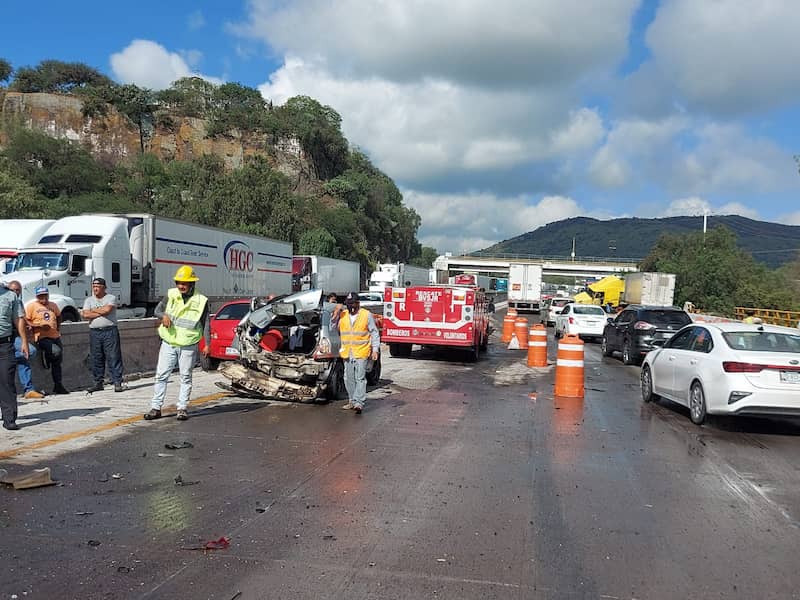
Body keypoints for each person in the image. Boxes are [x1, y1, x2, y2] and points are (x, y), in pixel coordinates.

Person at [144, 265, 210, 422]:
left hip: (188, 344)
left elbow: (206, 323)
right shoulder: (171, 295)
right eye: (178, 282)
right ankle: (156, 408)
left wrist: (207, 343)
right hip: (169, 341)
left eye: (184, 283)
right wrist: (164, 316)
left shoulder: (201, 300)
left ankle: (182, 408)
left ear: (192, 284)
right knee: (161, 375)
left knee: (185, 376)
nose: (181, 286)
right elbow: (157, 311)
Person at [338, 291, 380, 415]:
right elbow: (335, 327)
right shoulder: (343, 315)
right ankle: (352, 400)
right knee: (348, 378)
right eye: (348, 304)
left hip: (361, 351)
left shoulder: (366, 315)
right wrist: (336, 311)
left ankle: (359, 403)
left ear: (358, 303)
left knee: (360, 378)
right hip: (347, 351)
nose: (350, 306)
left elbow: (374, 333)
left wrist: (375, 349)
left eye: (352, 304)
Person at [81, 277, 124, 393]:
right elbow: (84, 315)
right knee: (96, 357)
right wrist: (100, 311)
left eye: (98, 286)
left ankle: (117, 382)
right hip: (95, 332)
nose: (95, 288)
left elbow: (107, 310)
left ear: (104, 287)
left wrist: (93, 311)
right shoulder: (88, 300)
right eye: (94, 286)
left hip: (109, 331)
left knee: (113, 356)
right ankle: (98, 383)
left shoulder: (111, 298)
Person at [25, 286, 69, 395]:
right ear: (37, 297)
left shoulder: (53, 305)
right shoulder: (32, 306)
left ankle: (58, 385)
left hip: (55, 335)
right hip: (42, 336)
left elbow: (59, 316)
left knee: (58, 360)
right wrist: (38, 326)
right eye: (41, 297)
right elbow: (26, 320)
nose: (43, 299)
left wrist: (58, 327)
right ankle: (47, 359)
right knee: (55, 352)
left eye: (45, 296)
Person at [6, 280, 43, 399]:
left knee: (26, 355)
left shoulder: (19, 302)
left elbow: (21, 318)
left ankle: (29, 389)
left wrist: (28, 325)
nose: (15, 292)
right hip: (6, 336)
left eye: (18, 290)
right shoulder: (6, 300)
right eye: (13, 290)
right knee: (29, 352)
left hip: (15, 336)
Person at [1, 281, 30, 430]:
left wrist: (24, 341)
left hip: (5, 345)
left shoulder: (11, 296)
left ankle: (9, 419)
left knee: (6, 381)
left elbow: (19, 319)